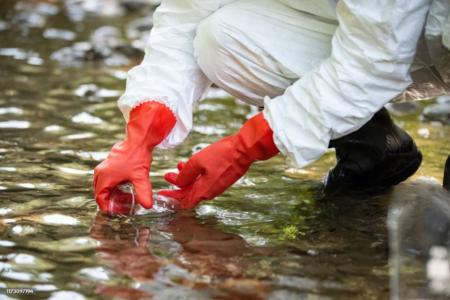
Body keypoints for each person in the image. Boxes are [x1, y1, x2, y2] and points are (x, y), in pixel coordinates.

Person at [94, 0, 450, 212]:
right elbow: (185, 15)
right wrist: (139, 138)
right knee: (219, 38)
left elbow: (374, 62)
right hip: (386, 30)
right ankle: (375, 146)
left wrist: (244, 147)